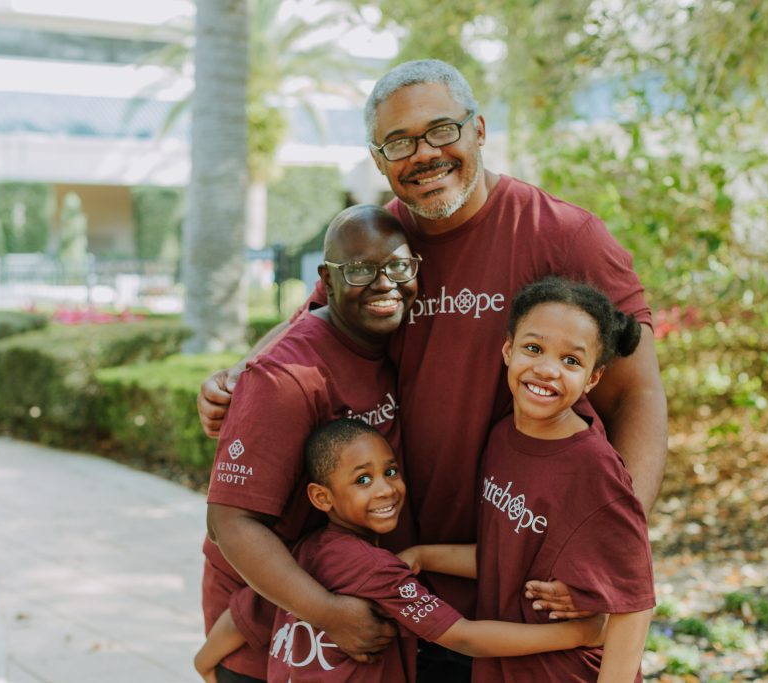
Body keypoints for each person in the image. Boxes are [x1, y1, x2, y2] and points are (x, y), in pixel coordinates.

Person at [198, 59, 668, 679]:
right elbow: (313, 316)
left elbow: (638, 396)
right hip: (400, 586)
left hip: (517, 590)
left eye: (442, 130)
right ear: (378, 158)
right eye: (399, 141)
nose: (424, 154)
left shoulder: (564, 236)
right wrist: (239, 371)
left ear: (478, 130)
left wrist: (606, 549)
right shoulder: (384, 242)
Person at [196, 418, 607, 682]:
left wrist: (203, 665)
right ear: (322, 497)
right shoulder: (372, 570)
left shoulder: (300, 557)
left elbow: (242, 613)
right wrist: (578, 632)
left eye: (390, 471)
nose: (385, 488)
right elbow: (465, 638)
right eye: (362, 480)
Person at [201, 204, 420, 682]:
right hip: (263, 633)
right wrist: (328, 612)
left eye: (399, 266)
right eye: (360, 269)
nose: (385, 283)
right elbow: (229, 522)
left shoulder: (381, 346)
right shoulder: (286, 378)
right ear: (328, 278)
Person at [400, 277, 656, 681]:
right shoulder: (503, 438)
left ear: (592, 378)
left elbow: (635, 602)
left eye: (571, 361)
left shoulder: (593, 468)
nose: (547, 369)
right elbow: (507, 556)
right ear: (508, 349)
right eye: (533, 349)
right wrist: (423, 555)